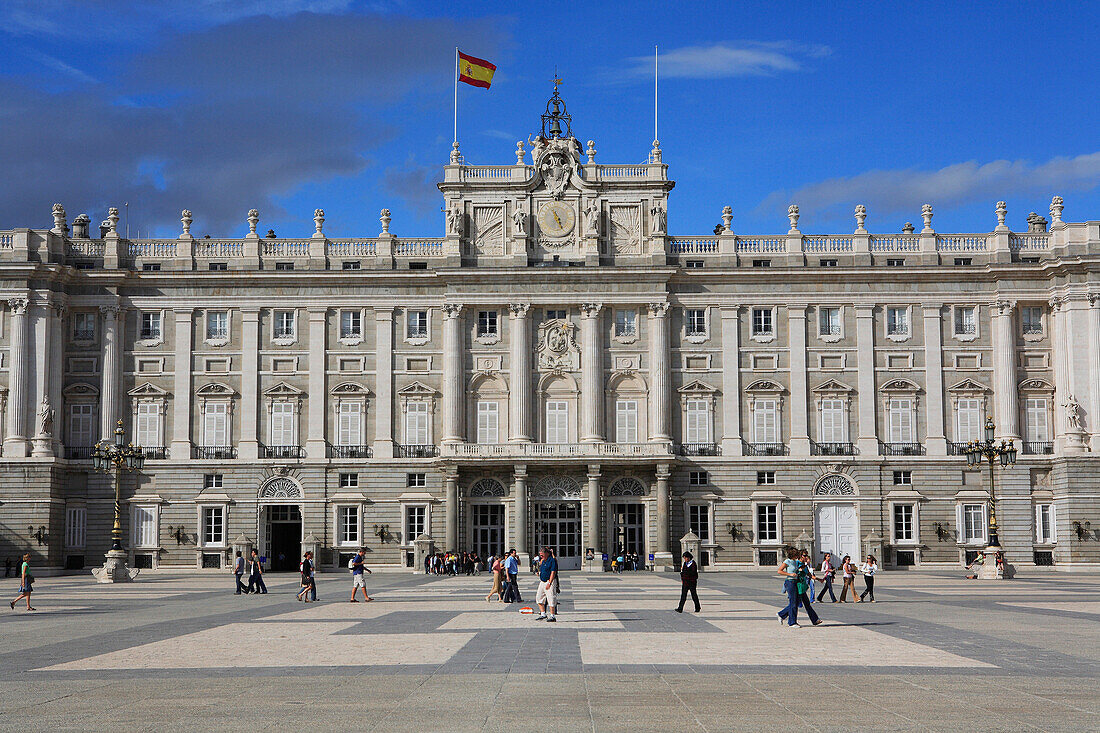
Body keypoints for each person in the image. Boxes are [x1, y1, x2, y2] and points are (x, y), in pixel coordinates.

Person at [777, 547, 821, 627]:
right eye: (797, 554)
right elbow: (779, 571)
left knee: (798, 603)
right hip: (791, 582)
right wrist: (790, 574)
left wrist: (818, 578)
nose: (799, 556)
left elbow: (803, 573)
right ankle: (792, 622)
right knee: (794, 603)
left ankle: (783, 615)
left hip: (798, 583)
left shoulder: (795, 562)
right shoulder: (788, 561)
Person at [534, 546, 559, 622]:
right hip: (542, 581)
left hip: (549, 581)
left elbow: (553, 572)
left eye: (542, 555)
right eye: (540, 555)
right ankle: (543, 614)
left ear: (547, 553)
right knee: (539, 597)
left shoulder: (552, 560)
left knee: (551, 598)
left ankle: (552, 616)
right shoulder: (543, 561)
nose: (540, 556)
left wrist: (550, 582)